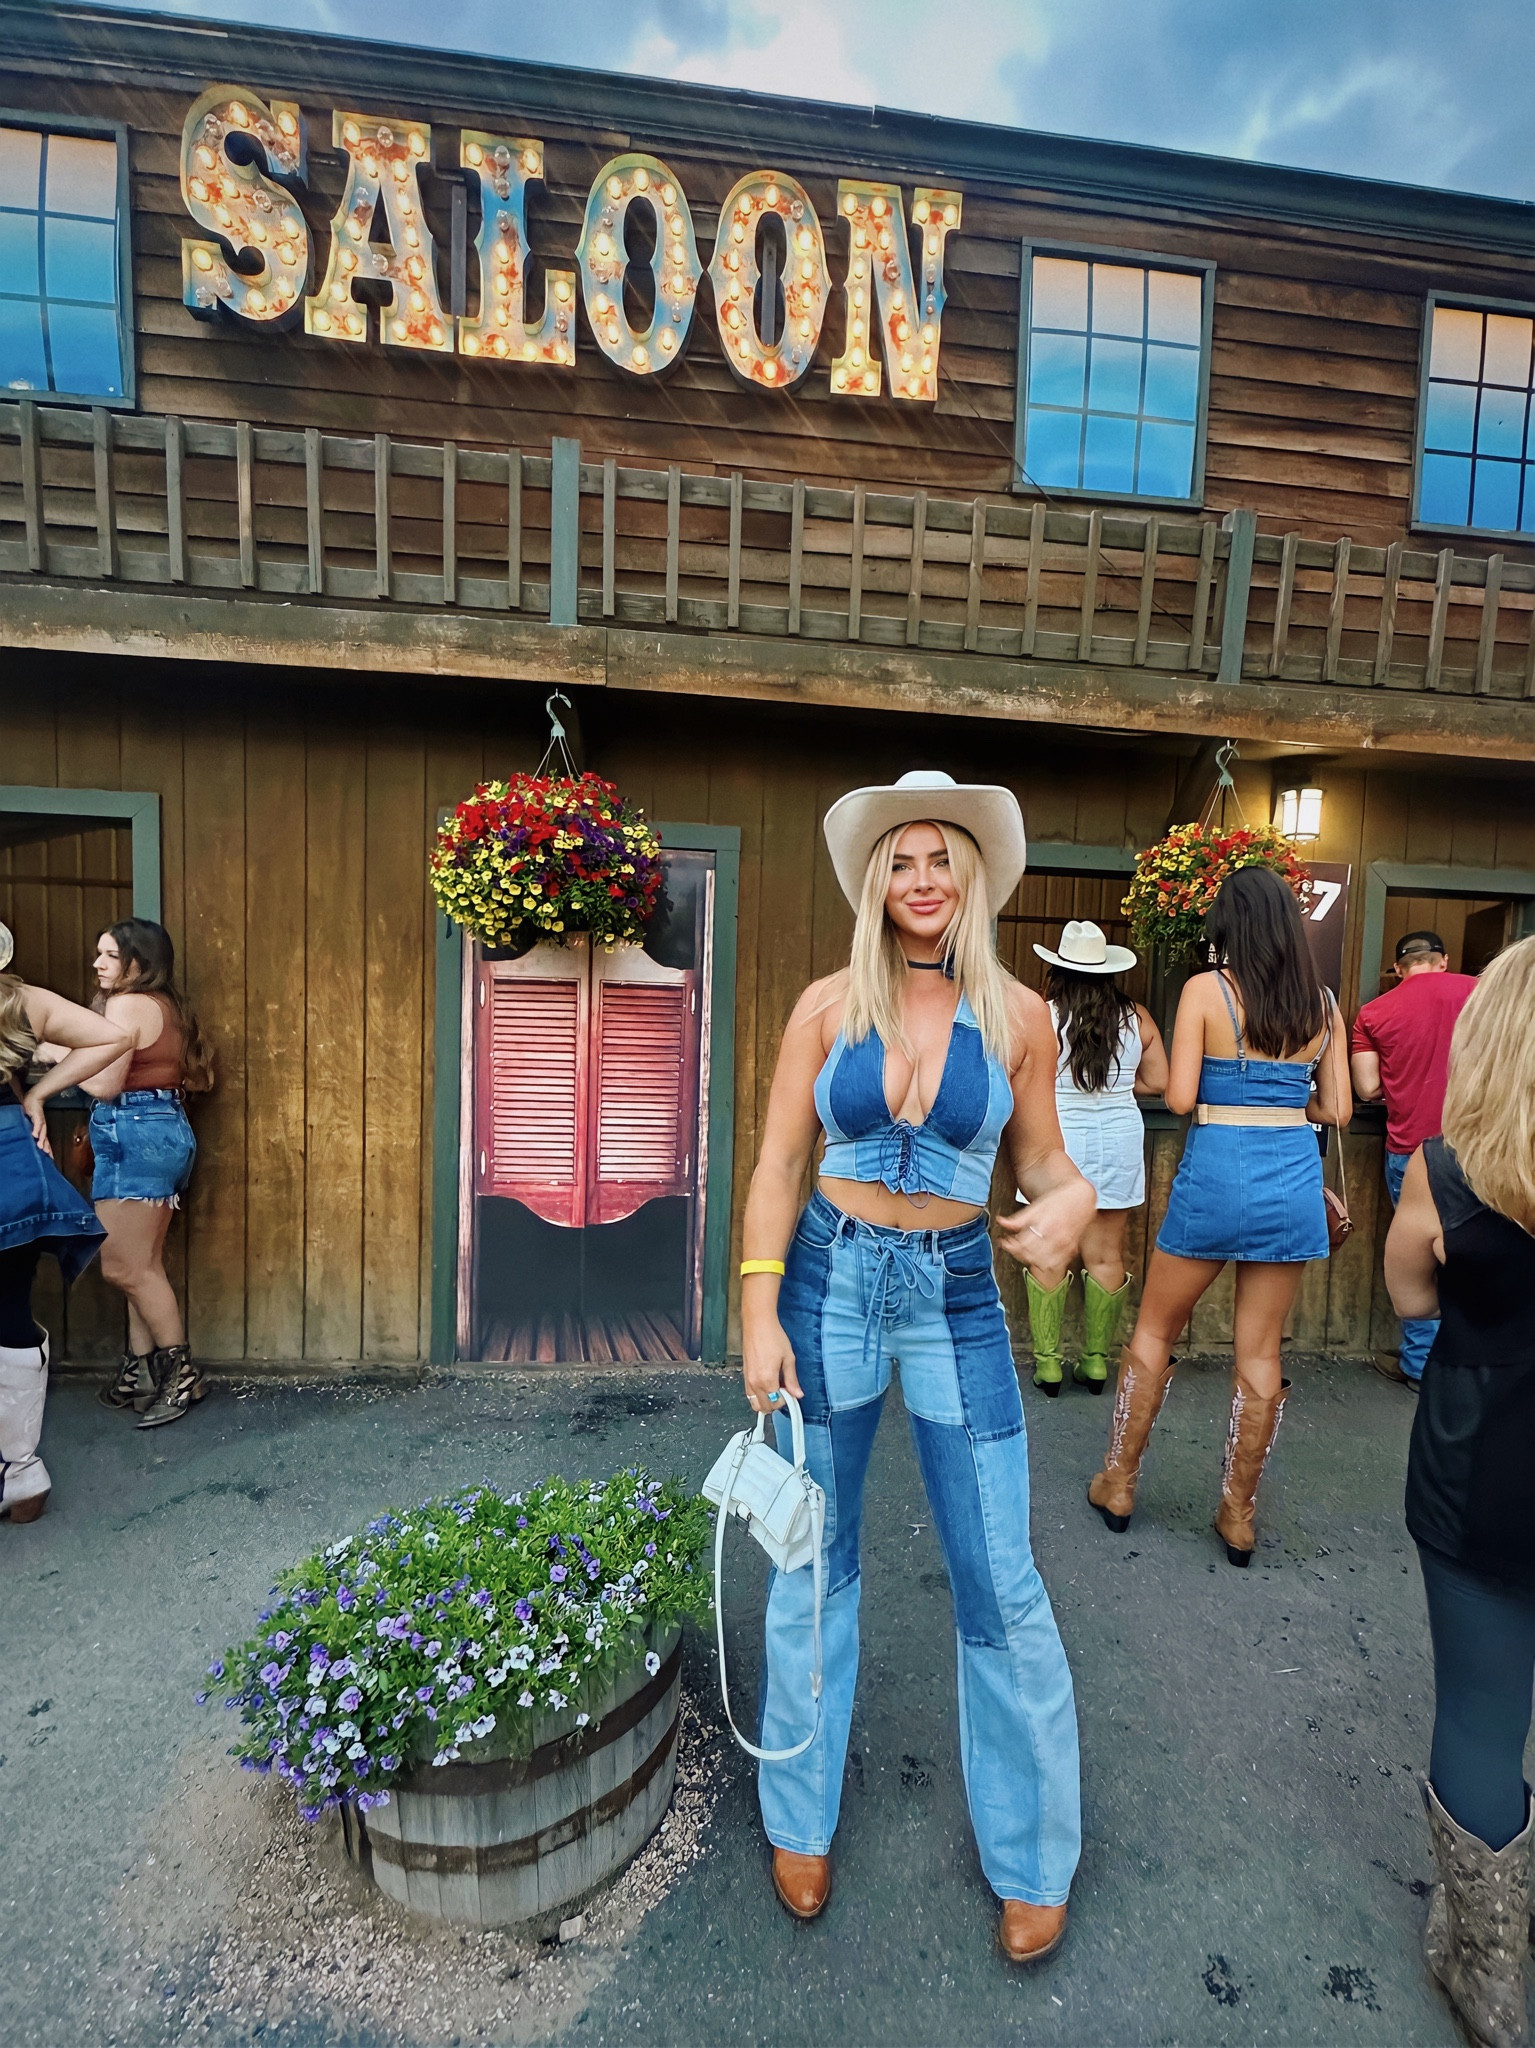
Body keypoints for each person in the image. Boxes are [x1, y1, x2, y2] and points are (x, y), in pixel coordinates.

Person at [738, 770, 1096, 1961]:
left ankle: (1033, 1850)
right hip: (828, 1285)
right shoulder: (824, 1007)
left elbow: (1043, 1166)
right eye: (901, 859)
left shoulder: (1021, 1023)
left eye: (940, 858)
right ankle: (799, 1811)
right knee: (814, 1561)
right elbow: (782, 1164)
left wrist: (1077, 1200)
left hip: (953, 1297)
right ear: (875, 881)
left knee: (998, 1572)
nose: (923, 878)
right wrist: (754, 1306)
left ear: (972, 877)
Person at [1086, 864, 1351, 1565]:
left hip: (1214, 1178)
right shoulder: (1322, 1004)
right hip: (1290, 1183)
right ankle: (1236, 1515)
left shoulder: (1206, 990)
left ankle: (1118, 1480)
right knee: (1260, 1352)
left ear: (1226, 928)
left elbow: (1176, 1098)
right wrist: (1283, 1090)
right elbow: (1336, 1109)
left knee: (1153, 1328)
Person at [1384, 935, 1535, 2048]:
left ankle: (1486, 1973)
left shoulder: (1445, 1171)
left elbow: (1406, 1297)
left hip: (1479, 1459)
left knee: (1482, 1714)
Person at [0, 922, 131, 1521]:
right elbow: (111, 1037)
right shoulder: (22, 1001)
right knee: (10, 1307)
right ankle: (22, 1471)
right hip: (10, 1161)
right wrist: (37, 1094)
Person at [1025, 919, 1168, 1396]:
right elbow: (1158, 1081)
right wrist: (1117, 1087)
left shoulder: (1039, 1015)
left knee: (1051, 1248)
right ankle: (1095, 1363)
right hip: (1118, 1139)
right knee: (1106, 1254)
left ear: (1057, 969)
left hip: (1055, 1139)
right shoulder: (1137, 1018)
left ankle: (1048, 1366)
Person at [84, 920, 213, 1429]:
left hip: (134, 1133)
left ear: (136, 964)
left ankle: (181, 1374)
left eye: (109, 956)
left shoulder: (126, 1004)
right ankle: (139, 1373)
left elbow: (106, 1085)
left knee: (124, 1268)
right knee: (140, 1263)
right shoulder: (164, 1003)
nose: (97, 963)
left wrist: (60, 1059)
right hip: (157, 1131)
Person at [1351, 930, 1478, 1389]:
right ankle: (1473, 1364)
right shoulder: (1483, 994)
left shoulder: (1373, 1013)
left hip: (1414, 1151)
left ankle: (1423, 1368)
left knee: (1422, 1260)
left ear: (1398, 969)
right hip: (1486, 1151)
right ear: (1441, 961)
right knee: (1482, 1254)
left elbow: (1367, 1088)